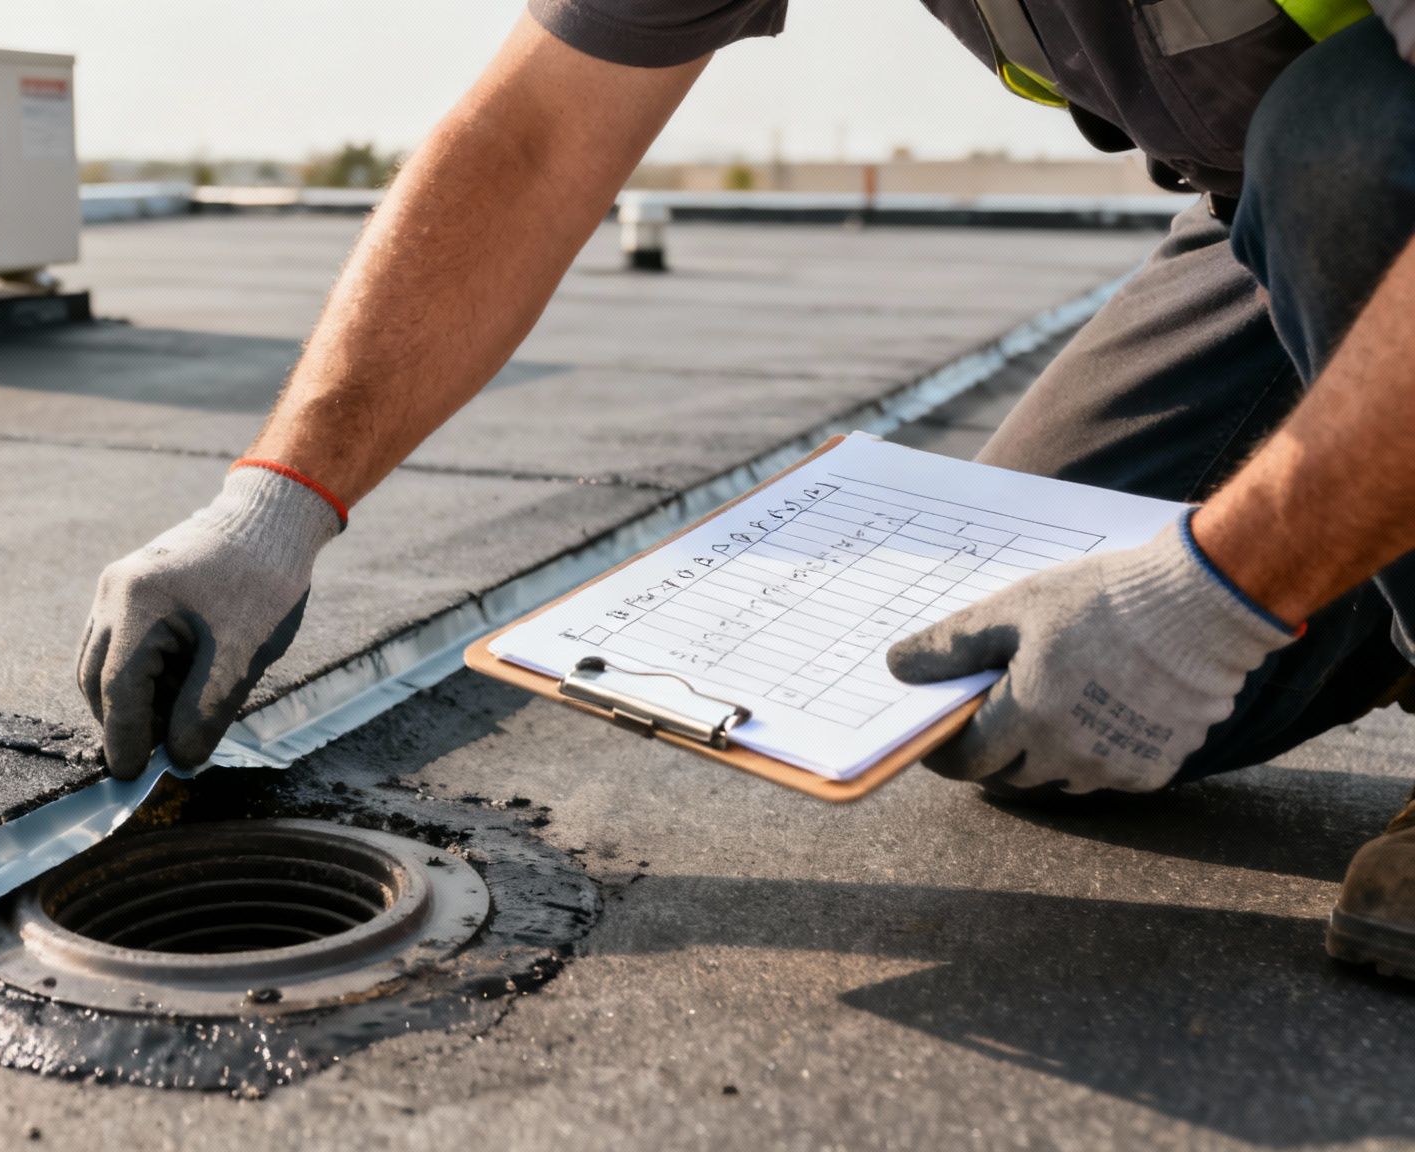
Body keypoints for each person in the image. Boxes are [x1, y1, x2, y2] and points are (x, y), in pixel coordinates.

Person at [79, 1, 1415, 976]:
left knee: (1349, 138)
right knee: (1007, 691)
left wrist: (1223, 587)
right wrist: (277, 503)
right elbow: (541, 133)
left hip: (1370, 171)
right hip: (1270, 219)